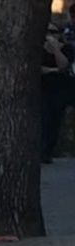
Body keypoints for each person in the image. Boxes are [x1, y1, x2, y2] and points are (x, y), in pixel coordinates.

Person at [42, 23, 74, 163]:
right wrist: (54, 70)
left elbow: (64, 65)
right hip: (43, 88)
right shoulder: (39, 49)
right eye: (47, 31)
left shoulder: (66, 49)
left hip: (61, 89)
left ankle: (49, 151)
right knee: (44, 118)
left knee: (55, 120)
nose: (50, 35)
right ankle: (42, 151)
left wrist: (55, 49)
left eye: (53, 32)